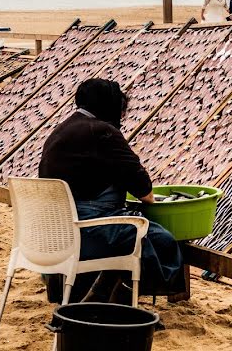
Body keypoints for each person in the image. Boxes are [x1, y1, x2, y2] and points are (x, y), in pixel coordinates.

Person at [39, 78, 184, 302]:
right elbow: (143, 189)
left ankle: (105, 291)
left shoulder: (63, 129)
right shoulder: (103, 132)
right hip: (85, 231)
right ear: (110, 105)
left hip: (52, 231)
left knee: (144, 237)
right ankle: (122, 299)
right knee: (159, 238)